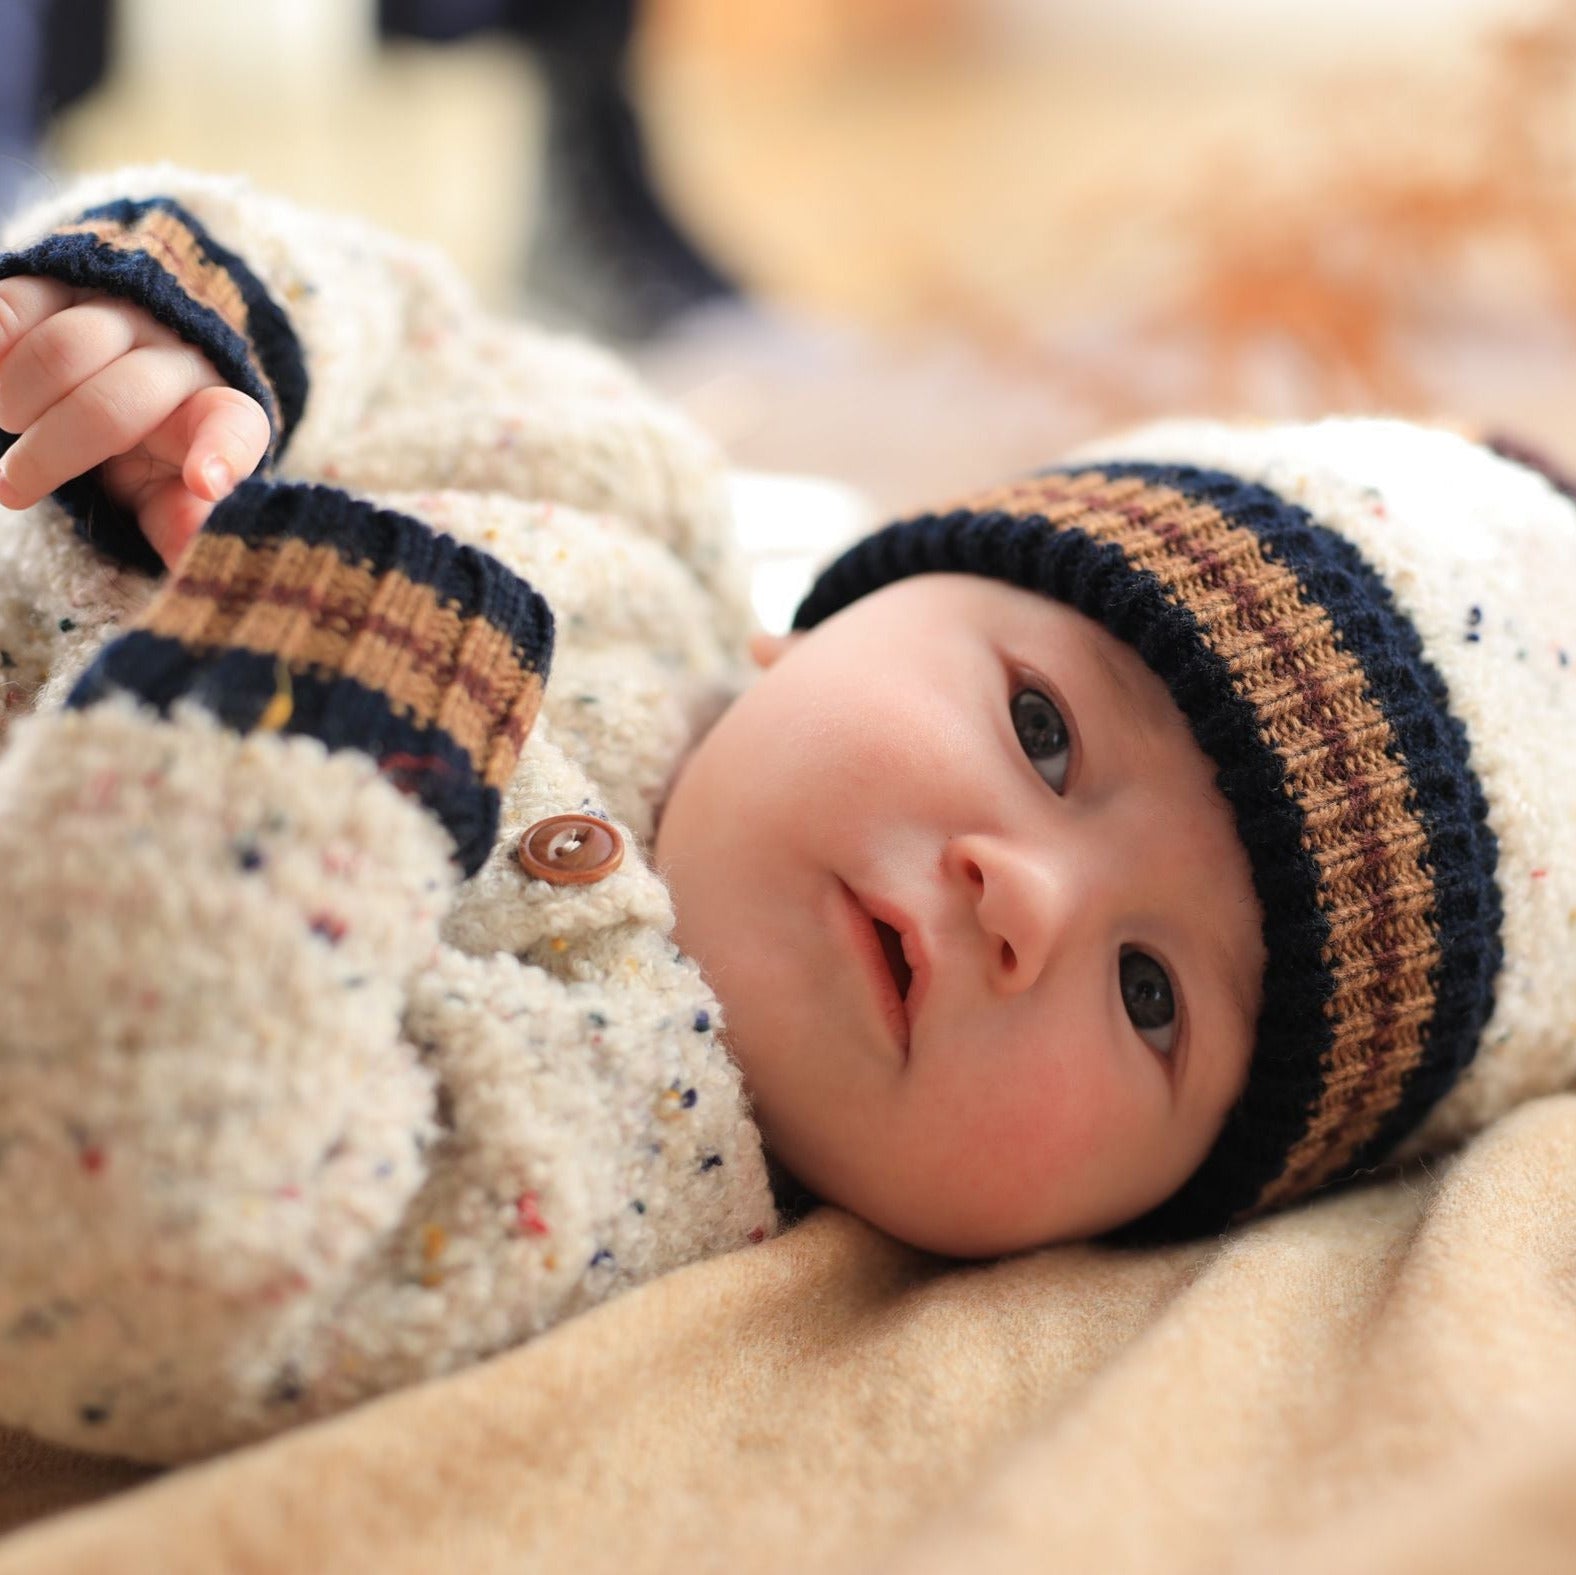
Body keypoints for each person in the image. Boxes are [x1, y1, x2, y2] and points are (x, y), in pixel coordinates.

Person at [0, 167, 1572, 1467]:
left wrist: (303, 725)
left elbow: (137, 1258)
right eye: (1042, 730)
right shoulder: (625, 491)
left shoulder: (615, 1151)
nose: (1028, 898)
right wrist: (169, 334)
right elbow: (388, 310)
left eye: (1151, 995)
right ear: (840, 609)